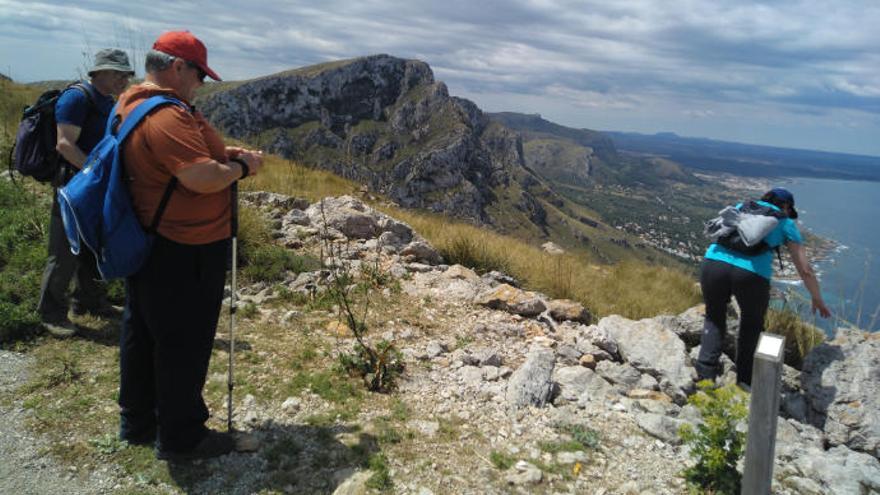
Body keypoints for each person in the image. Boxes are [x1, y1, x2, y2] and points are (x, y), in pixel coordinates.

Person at [115, 30, 263, 461]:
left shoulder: (131, 104)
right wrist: (241, 166)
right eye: (198, 73)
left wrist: (221, 153)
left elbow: (177, 162)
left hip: (151, 239)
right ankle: (183, 437)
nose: (200, 83)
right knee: (184, 341)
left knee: (142, 332)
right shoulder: (168, 116)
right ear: (177, 67)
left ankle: (138, 420)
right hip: (186, 247)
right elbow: (200, 179)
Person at [38, 48, 135, 337]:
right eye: (118, 73)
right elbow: (64, 145)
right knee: (63, 250)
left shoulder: (105, 100)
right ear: (100, 72)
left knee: (92, 246)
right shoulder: (76, 98)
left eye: (126, 74)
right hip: (72, 186)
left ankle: (89, 302)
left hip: (90, 186)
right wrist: (94, 174)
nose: (123, 80)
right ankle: (51, 313)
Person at [695, 187, 831, 388]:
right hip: (751, 275)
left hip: (713, 263)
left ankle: (704, 377)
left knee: (714, 318)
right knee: (751, 326)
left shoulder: (742, 207)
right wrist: (816, 297)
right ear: (786, 206)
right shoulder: (785, 222)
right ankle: (744, 383)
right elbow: (805, 269)